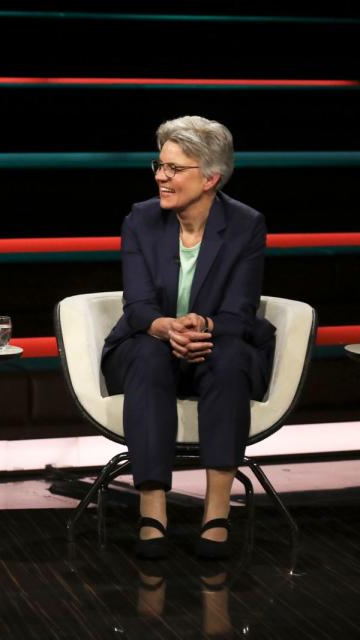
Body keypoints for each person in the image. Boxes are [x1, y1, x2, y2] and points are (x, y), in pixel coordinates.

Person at [101, 115, 275, 560]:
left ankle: (217, 511)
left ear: (211, 177)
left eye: (174, 169)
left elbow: (239, 310)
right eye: (158, 165)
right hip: (149, 348)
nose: (161, 176)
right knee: (147, 352)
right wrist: (165, 326)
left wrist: (203, 324)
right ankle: (152, 509)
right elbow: (137, 306)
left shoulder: (246, 225)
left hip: (215, 346)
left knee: (228, 355)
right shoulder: (139, 220)